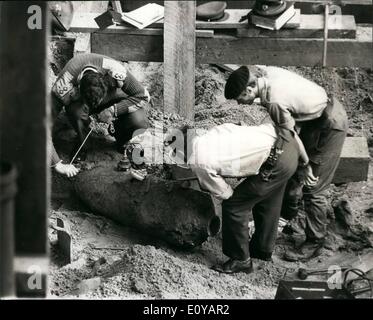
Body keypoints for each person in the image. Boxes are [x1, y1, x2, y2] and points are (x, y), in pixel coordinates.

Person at [224, 66, 348, 261]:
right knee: (295, 172)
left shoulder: (274, 101)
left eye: (239, 98)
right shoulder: (268, 73)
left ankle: (315, 240)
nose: (240, 103)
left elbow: (290, 137)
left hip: (330, 123)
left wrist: (306, 163)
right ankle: (288, 218)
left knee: (313, 186)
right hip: (315, 116)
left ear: (249, 90)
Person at [171, 122, 300, 273]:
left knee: (234, 207)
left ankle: (240, 260)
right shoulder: (212, 132)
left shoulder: (198, 161)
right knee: (268, 200)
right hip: (287, 144)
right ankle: (262, 250)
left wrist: (203, 179)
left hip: (274, 162)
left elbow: (226, 194)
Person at [51, 53, 150, 160]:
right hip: (82, 102)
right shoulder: (67, 78)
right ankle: (84, 144)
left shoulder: (114, 70)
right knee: (75, 112)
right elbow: (48, 115)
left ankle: (121, 137)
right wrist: (55, 161)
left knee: (139, 121)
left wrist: (114, 110)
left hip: (114, 98)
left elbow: (144, 96)